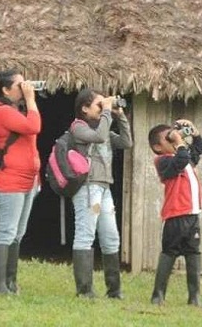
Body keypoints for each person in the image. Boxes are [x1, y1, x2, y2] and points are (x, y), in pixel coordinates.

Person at [69, 88, 132, 298]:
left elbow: (126, 143)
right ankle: (84, 291)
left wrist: (120, 116)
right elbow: (99, 137)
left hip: (104, 189)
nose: (102, 107)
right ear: (84, 108)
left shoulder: (103, 127)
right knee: (86, 234)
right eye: (97, 104)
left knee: (111, 237)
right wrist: (107, 111)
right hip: (88, 189)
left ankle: (114, 290)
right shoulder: (78, 128)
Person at [0, 70, 41, 295]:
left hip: (27, 181)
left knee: (17, 234)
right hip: (9, 180)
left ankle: (10, 282)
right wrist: (31, 100)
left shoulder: (17, 111)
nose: (25, 87)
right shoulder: (3, 112)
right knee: (6, 232)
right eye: (19, 85)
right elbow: (34, 127)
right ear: (6, 90)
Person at [147, 120, 202, 306]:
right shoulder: (163, 161)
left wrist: (193, 132)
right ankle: (158, 295)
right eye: (168, 139)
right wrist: (180, 141)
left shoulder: (183, 157)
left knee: (193, 253)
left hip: (192, 214)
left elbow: (200, 147)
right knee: (169, 252)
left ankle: (194, 297)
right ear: (158, 146)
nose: (174, 140)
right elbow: (180, 159)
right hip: (175, 215)